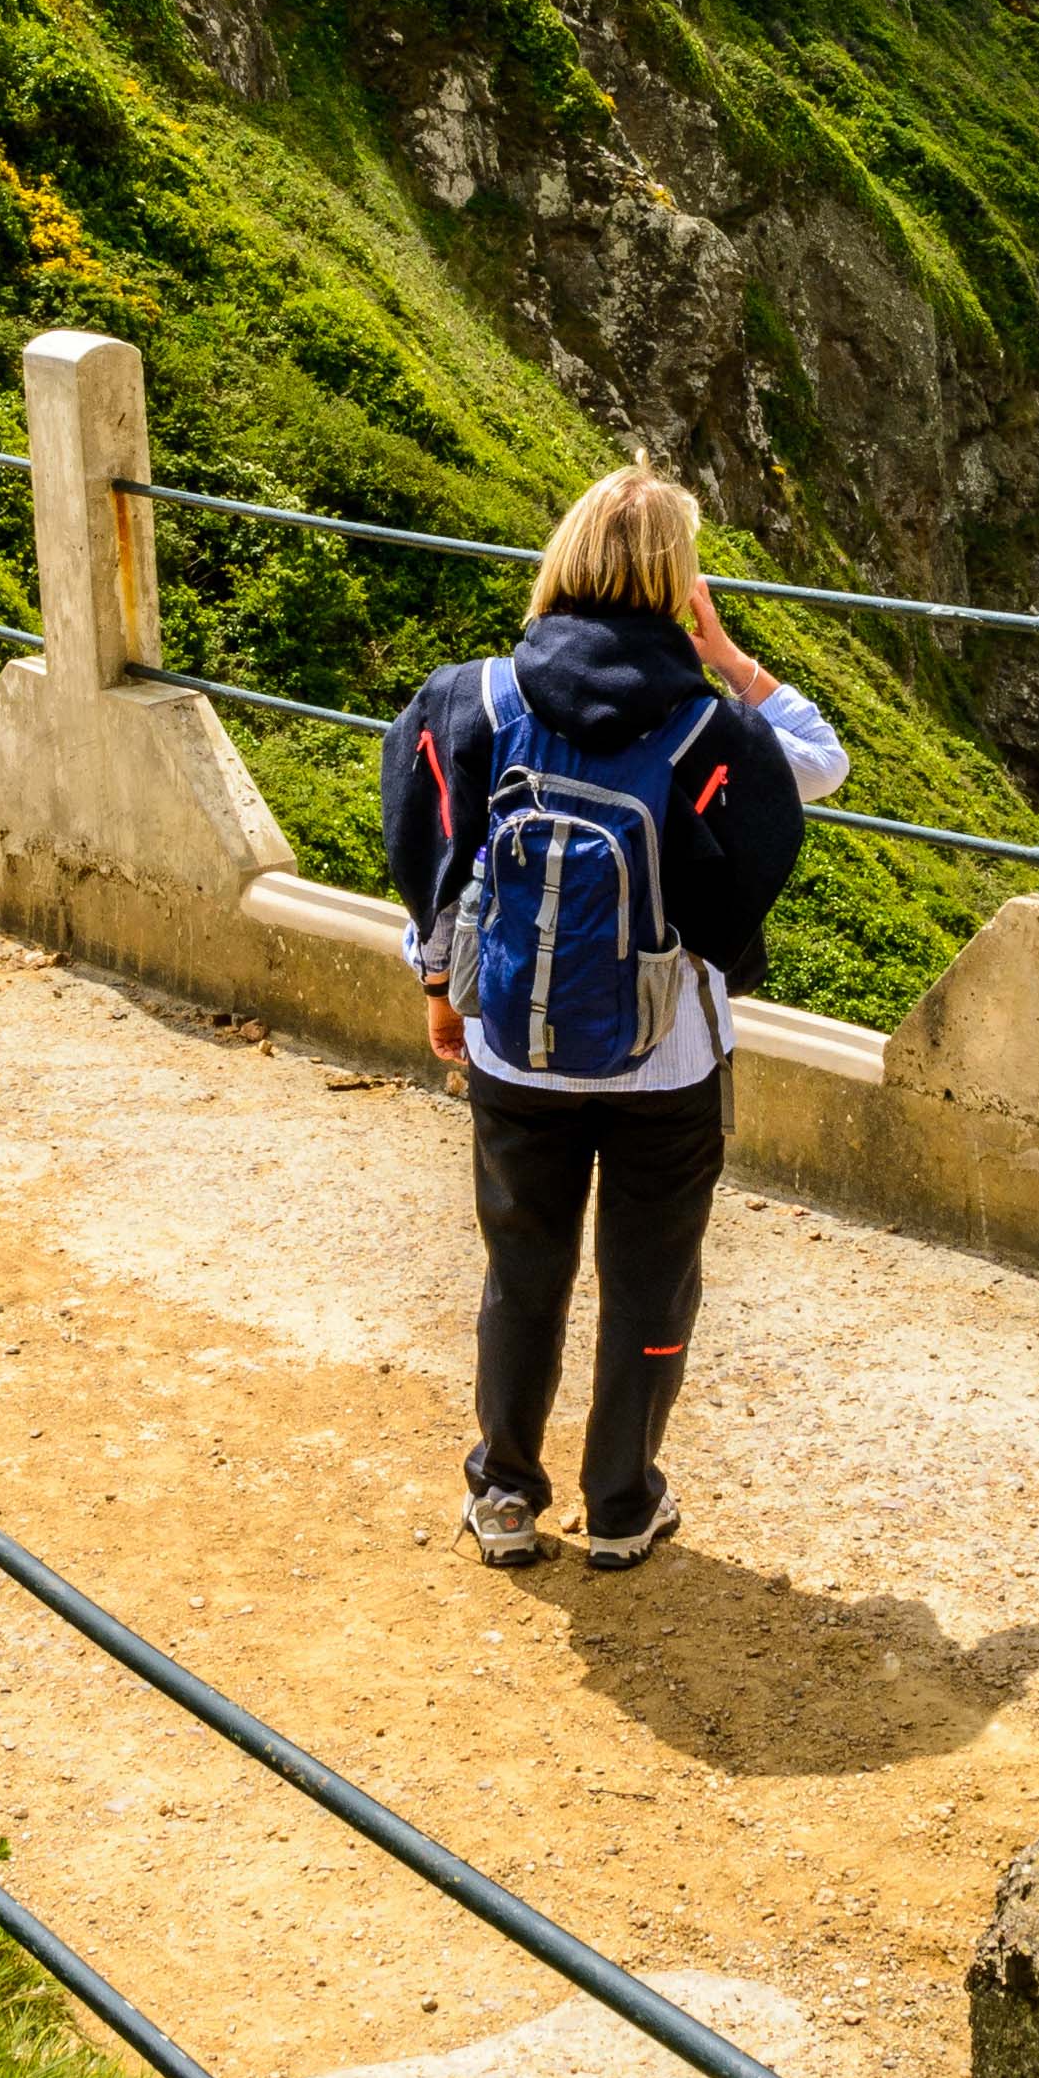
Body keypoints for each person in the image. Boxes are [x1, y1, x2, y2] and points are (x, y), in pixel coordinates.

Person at [379, 466, 848, 1573]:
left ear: (562, 558)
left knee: (522, 1270)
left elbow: (431, 851)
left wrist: (441, 988)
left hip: (516, 1050)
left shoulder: (474, 696)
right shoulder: (710, 727)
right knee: (649, 1280)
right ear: (680, 586)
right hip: (668, 1060)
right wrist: (729, 655)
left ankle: (502, 1493)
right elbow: (822, 762)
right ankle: (624, 1502)